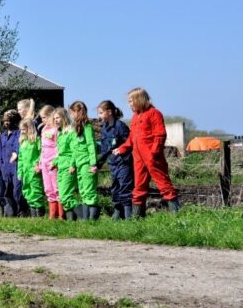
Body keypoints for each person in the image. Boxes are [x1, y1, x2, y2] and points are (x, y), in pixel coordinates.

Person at [113, 88, 180, 216]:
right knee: (138, 187)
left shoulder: (154, 113)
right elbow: (132, 138)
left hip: (152, 157)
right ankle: (137, 219)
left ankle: (177, 217)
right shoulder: (135, 116)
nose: (129, 104)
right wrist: (121, 149)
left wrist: (154, 153)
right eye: (128, 102)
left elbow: (160, 135)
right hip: (138, 158)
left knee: (164, 185)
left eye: (130, 101)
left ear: (139, 100)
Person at [96, 100, 134, 220]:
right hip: (113, 164)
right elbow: (105, 150)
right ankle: (117, 212)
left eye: (101, 113)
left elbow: (130, 143)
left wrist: (122, 151)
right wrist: (98, 165)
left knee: (125, 188)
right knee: (115, 189)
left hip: (124, 163)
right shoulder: (104, 129)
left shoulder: (120, 126)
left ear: (109, 112)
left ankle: (129, 217)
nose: (99, 116)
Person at [69, 101, 99, 220]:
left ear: (77, 112)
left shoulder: (87, 127)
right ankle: (85, 220)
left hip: (87, 164)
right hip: (79, 164)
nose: (70, 115)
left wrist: (93, 164)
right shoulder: (74, 129)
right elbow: (74, 150)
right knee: (83, 192)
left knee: (89, 191)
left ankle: (92, 220)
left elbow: (91, 146)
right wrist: (72, 164)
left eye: (71, 112)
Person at [51, 108, 79, 221]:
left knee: (66, 194)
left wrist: (73, 164)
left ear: (64, 117)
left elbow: (75, 150)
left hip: (68, 166)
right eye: (54, 118)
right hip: (61, 166)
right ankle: (71, 219)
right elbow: (60, 152)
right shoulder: (60, 133)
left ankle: (81, 215)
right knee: (62, 195)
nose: (56, 120)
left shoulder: (71, 132)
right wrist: (55, 162)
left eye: (58, 118)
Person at [0, 109, 28, 217]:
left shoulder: (19, 133)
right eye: (5, 120)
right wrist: (1, 165)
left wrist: (16, 153)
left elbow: (18, 146)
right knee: (7, 192)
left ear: (14, 120)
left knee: (17, 191)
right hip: (5, 168)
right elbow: (1, 152)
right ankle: (11, 213)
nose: (6, 123)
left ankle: (23, 212)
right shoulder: (3, 136)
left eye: (9, 120)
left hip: (16, 167)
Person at [37, 105, 63, 219]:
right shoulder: (43, 129)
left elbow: (58, 146)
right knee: (48, 188)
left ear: (51, 116)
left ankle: (62, 214)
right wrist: (40, 162)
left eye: (44, 117)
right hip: (44, 162)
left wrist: (56, 161)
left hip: (54, 162)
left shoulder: (56, 129)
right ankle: (52, 214)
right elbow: (42, 147)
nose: (42, 120)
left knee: (56, 187)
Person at [18, 118, 46, 217]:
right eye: (21, 130)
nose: (22, 132)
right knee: (27, 191)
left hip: (34, 170)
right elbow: (20, 158)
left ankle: (40, 214)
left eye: (24, 129)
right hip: (25, 171)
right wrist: (20, 172)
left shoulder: (36, 140)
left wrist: (38, 164)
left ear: (30, 128)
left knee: (36, 191)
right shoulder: (23, 142)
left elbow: (42, 153)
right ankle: (33, 214)